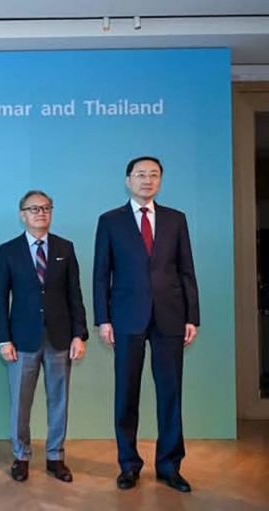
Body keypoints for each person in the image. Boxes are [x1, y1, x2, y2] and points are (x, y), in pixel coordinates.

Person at [93, 156, 199, 493]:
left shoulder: (175, 219)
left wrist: (192, 316)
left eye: (154, 175)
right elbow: (101, 274)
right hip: (126, 317)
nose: (147, 180)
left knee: (171, 393)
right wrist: (103, 319)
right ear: (128, 180)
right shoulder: (110, 221)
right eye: (140, 174)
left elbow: (186, 270)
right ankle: (129, 465)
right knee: (127, 393)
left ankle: (170, 466)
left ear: (161, 181)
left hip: (170, 315)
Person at [0, 190, 88, 483]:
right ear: (22, 215)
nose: (41, 213)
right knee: (20, 403)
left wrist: (79, 335)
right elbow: (0, 299)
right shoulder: (8, 250)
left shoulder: (65, 248)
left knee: (59, 400)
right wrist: (4, 339)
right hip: (22, 339)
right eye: (34, 209)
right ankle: (21, 457)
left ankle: (55, 457)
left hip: (60, 337)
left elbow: (75, 295)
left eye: (46, 208)